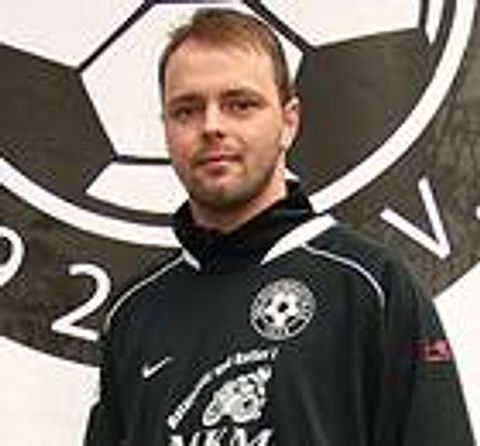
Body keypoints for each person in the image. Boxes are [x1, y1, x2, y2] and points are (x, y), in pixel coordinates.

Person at [84, 8, 474, 446]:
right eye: (187, 110)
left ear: (289, 122)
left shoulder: (372, 289)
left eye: (240, 105)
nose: (212, 126)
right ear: (166, 129)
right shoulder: (133, 315)